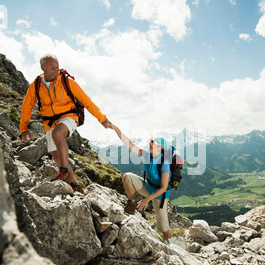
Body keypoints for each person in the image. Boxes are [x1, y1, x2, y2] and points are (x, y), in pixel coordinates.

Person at [19, 54, 112, 193]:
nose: (56, 70)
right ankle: (74, 186)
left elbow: (86, 101)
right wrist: (23, 128)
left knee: (58, 133)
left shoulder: (66, 81)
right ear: (42, 68)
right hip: (50, 121)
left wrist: (102, 119)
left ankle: (64, 170)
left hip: (70, 116)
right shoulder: (36, 85)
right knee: (56, 155)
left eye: (57, 67)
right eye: (52, 68)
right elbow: (27, 107)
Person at [109, 124, 173, 241]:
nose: (150, 143)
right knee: (127, 177)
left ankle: (170, 247)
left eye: (153, 142)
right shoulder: (148, 155)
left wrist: (147, 199)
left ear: (160, 148)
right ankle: (131, 204)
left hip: (160, 195)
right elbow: (130, 144)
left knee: (164, 227)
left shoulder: (165, 163)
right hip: (148, 187)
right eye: (151, 141)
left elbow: (164, 188)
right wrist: (116, 129)